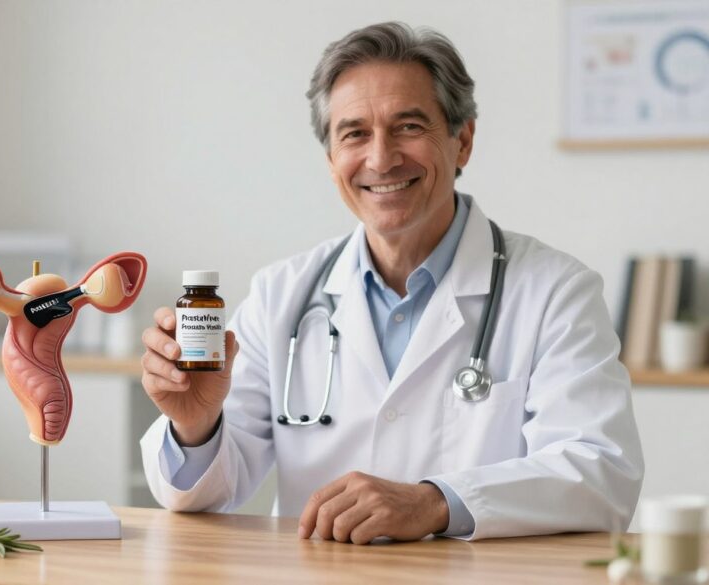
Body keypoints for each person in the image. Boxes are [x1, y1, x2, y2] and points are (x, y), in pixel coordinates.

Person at [138, 21, 643, 543]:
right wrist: (195, 425)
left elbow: (600, 474)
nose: (381, 159)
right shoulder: (279, 295)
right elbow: (211, 489)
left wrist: (434, 502)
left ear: (462, 140)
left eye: (408, 127)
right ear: (332, 159)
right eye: (354, 133)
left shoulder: (555, 291)